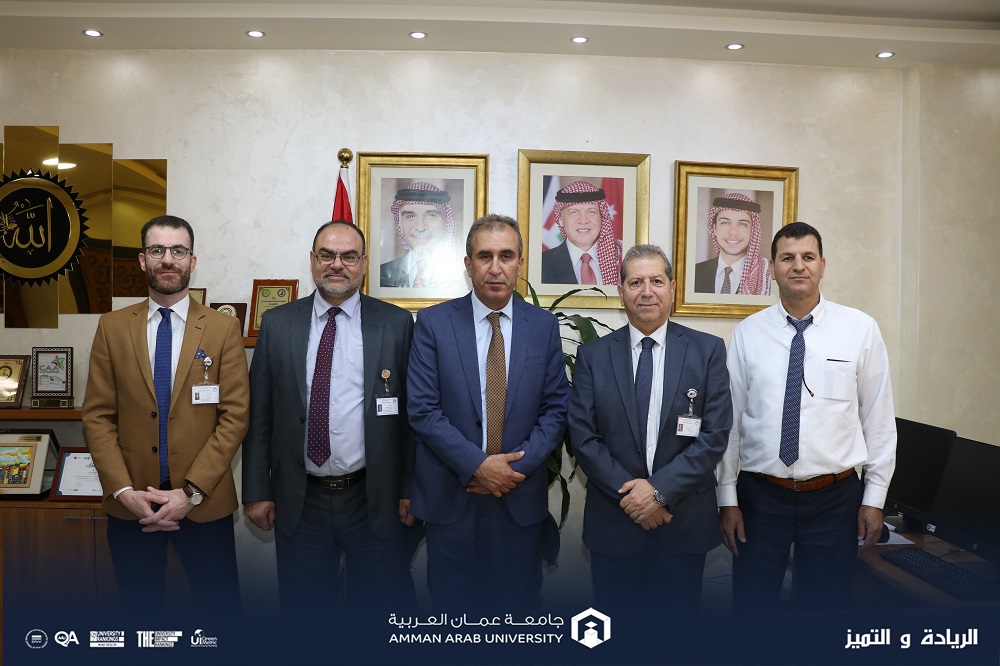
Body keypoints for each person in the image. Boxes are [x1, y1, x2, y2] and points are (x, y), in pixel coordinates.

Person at [717, 221, 896, 613]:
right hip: (760, 497)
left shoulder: (860, 329)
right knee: (752, 611)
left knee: (824, 613)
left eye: (807, 257)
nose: (798, 266)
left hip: (835, 499)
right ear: (772, 268)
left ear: (822, 265)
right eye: (787, 258)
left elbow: (879, 420)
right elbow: (728, 423)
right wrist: (727, 498)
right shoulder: (748, 333)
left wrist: (875, 498)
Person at [242, 220, 417, 616]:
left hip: (373, 498)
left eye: (349, 256)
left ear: (364, 263)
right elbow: (260, 415)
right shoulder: (278, 323)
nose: (337, 265)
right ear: (312, 260)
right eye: (327, 255)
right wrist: (256, 491)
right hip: (301, 499)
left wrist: (409, 488)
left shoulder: (395, 323)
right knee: (306, 617)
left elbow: (410, 417)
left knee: (381, 614)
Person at [82, 214, 248, 613]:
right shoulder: (112, 327)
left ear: (192, 260)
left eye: (178, 250)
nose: (168, 259)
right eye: (157, 250)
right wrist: (123, 492)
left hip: (203, 504)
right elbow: (98, 417)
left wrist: (190, 493)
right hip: (132, 505)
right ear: (143, 260)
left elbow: (235, 417)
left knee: (222, 618)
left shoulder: (223, 329)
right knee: (141, 618)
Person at [407, 213, 570, 612]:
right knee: (452, 616)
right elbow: (423, 410)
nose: (495, 268)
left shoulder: (543, 326)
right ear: (468, 264)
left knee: (516, 613)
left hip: (517, 498)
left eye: (506, 256)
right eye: (484, 256)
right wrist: (479, 466)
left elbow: (555, 409)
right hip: (452, 497)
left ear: (520, 263)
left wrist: (510, 471)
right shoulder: (433, 323)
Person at [569, 244, 732, 615]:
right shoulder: (593, 356)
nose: (647, 291)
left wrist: (659, 493)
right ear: (621, 291)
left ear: (672, 288)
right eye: (635, 282)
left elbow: (714, 435)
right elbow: (584, 437)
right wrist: (637, 498)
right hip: (614, 524)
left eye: (657, 281)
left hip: (682, 523)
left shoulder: (707, 350)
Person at [380, 181, 463, 288]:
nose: (420, 227)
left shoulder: (462, 276)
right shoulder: (381, 274)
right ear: (400, 223)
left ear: (446, 222)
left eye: (431, 215)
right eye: (410, 216)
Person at [541, 180, 622, 285]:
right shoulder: (542, 264)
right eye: (574, 212)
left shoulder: (622, 257)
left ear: (602, 217)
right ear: (561, 219)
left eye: (591, 212)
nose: (583, 221)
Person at [694, 193, 771, 296]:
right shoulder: (694, 273)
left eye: (743, 224)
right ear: (714, 228)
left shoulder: (767, 277)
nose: (733, 232)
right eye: (725, 223)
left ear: (753, 231)